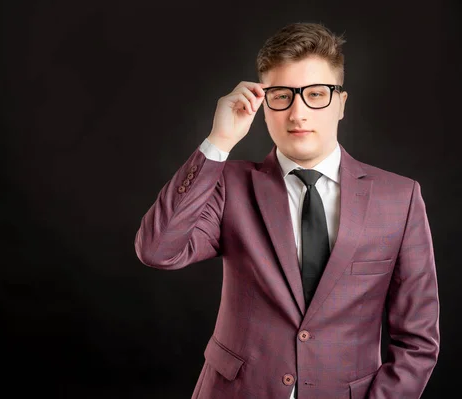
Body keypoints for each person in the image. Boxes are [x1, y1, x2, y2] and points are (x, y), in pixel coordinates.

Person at [134, 22, 439, 399]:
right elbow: (157, 250)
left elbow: (418, 341)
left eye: (315, 94)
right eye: (282, 95)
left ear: (341, 104)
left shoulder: (400, 198)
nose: (298, 113)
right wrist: (218, 142)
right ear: (263, 104)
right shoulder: (229, 185)